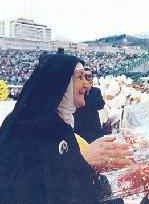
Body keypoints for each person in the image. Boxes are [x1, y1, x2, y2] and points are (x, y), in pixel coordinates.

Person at [0, 54, 133, 203]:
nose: (87, 85)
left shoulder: (61, 122)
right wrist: (82, 162)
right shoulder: (26, 125)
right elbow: (23, 188)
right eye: (80, 77)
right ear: (61, 83)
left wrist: (92, 169)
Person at [73, 67, 105, 144]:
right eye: (85, 76)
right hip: (79, 127)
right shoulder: (75, 91)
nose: (87, 78)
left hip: (93, 127)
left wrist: (88, 92)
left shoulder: (96, 91)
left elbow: (100, 105)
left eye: (89, 76)